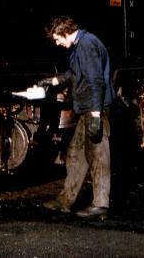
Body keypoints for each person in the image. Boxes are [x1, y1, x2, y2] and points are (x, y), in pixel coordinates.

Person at [41, 15, 113, 219]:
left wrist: (96, 115)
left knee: (98, 156)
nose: (57, 43)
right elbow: (75, 74)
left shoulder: (87, 46)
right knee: (76, 154)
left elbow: (96, 81)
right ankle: (65, 200)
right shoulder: (81, 45)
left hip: (94, 109)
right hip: (88, 109)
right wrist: (54, 81)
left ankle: (100, 205)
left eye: (57, 39)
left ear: (65, 32)